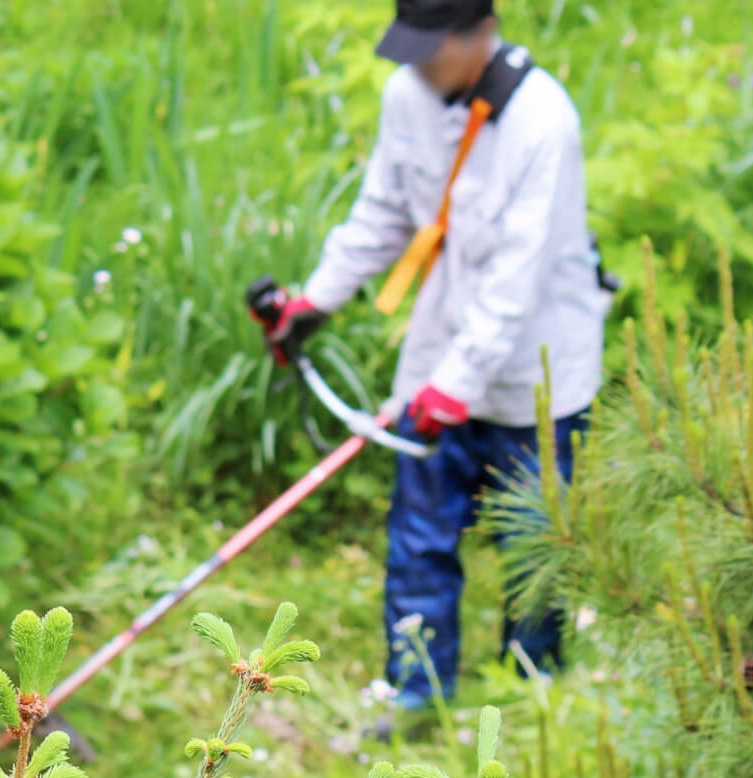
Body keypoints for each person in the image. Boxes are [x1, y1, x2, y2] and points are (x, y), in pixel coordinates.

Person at [255, 0, 615, 736]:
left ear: (483, 32)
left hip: (535, 372)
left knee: (536, 544)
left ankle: (532, 689)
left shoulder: (546, 123)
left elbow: (516, 280)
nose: (417, 63)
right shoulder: (408, 94)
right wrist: (316, 302)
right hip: (441, 357)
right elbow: (383, 211)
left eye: (433, 47)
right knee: (420, 533)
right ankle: (416, 694)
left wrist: (456, 385)